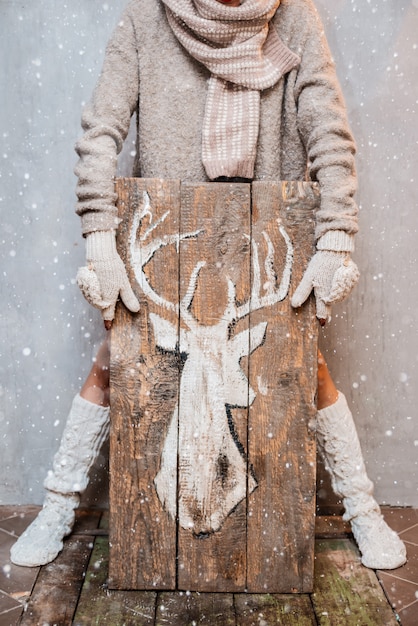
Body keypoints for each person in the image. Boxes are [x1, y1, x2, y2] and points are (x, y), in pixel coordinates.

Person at [11, 0, 406, 570]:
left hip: (265, 237)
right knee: (114, 361)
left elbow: (329, 134)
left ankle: (361, 510)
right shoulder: (144, 19)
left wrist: (336, 237)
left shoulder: (295, 17)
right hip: (171, 239)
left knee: (307, 367)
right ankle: (59, 503)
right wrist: (100, 238)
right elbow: (100, 132)